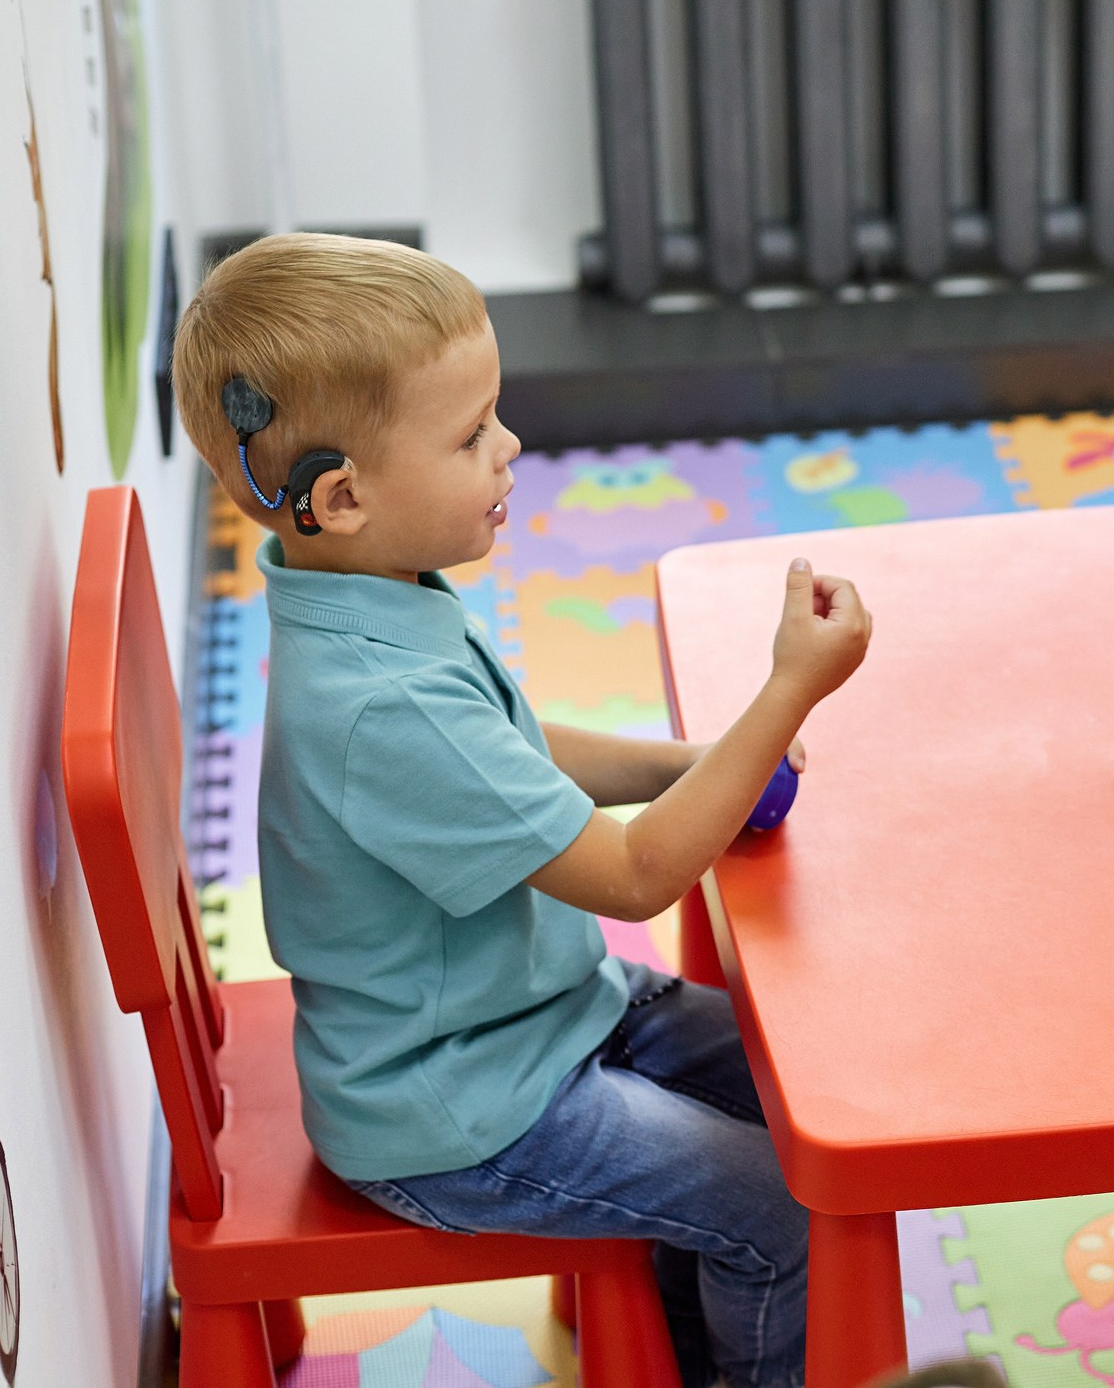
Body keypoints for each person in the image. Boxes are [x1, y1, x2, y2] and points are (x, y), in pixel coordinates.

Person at [172, 234, 872, 1388]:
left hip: (539, 1012)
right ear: (343, 496)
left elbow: (506, 755)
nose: (509, 447)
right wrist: (786, 690)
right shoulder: (382, 703)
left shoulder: (367, 592)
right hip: (464, 1108)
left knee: (814, 1085)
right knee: (776, 1206)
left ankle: (681, 1335)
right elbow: (638, 873)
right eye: (470, 435)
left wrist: (692, 762)